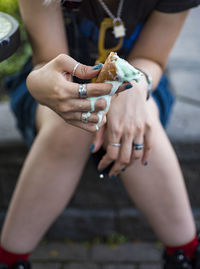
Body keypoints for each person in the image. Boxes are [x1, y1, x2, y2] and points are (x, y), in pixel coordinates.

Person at [1, 0, 200, 268]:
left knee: (139, 118)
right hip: (55, 89)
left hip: (144, 82)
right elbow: (49, 62)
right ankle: (9, 259)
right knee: (76, 122)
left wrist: (134, 87)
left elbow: (152, 59)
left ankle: (186, 255)